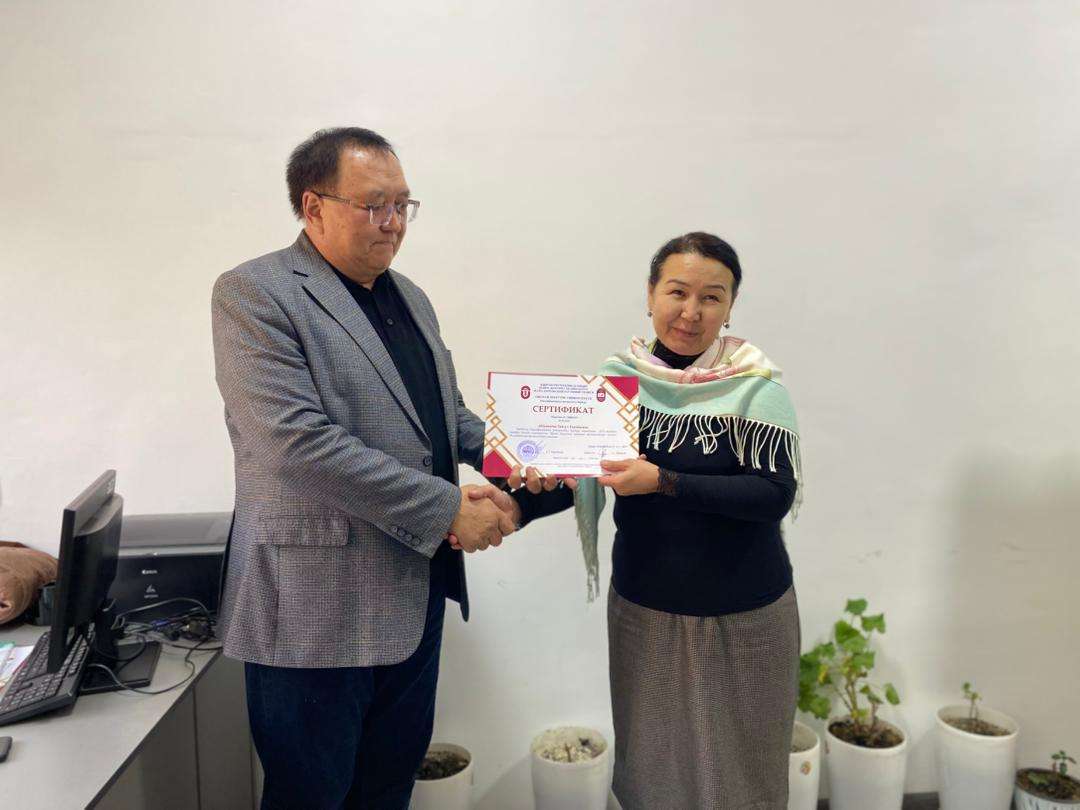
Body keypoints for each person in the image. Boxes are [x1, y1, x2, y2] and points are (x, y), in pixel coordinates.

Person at [211, 127, 515, 810]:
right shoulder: (254, 294)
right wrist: (447, 508)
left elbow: (445, 416)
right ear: (313, 206)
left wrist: (522, 452)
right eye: (374, 204)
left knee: (386, 788)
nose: (393, 222)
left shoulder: (410, 297)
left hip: (413, 589)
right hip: (314, 605)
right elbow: (295, 442)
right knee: (311, 794)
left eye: (403, 204)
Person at [494, 232, 803, 809]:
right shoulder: (618, 385)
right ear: (651, 295)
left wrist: (664, 481)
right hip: (647, 611)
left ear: (731, 305)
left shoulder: (756, 386)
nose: (691, 311)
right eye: (677, 292)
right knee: (653, 774)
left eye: (711, 297)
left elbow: (772, 495)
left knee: (746, 776)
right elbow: (582, 475)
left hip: (745, 615)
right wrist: (512, 503)